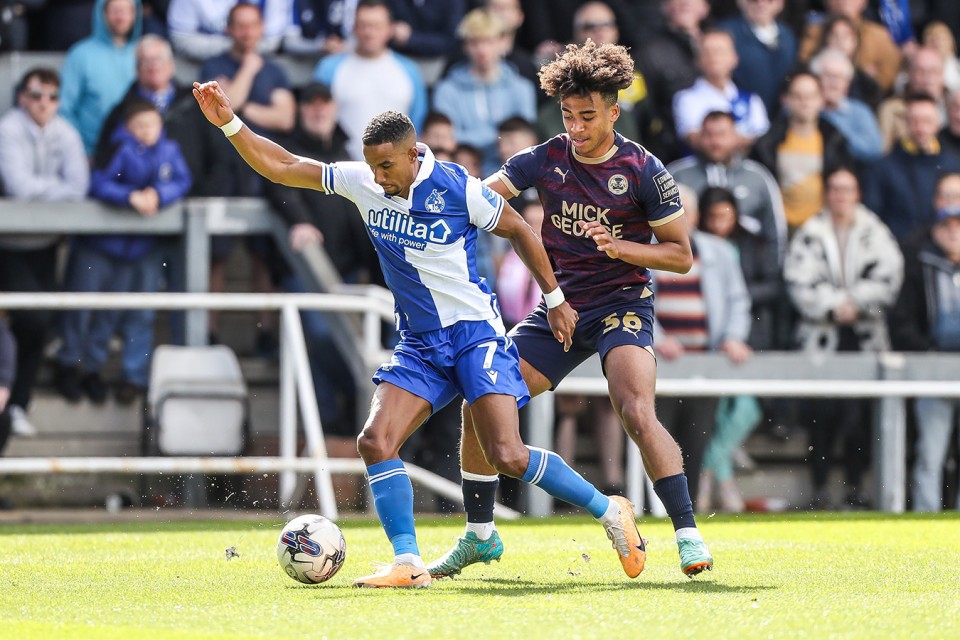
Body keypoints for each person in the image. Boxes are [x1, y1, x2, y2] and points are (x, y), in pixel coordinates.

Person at [193, 85, 647, 588]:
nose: (377, 177)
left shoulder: (460, 188)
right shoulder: (363, 181)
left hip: (476, 337)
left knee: (508, 455)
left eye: (386, 166)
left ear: (413, 154)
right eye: (371, 166)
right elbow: (281, 165)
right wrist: (230, 124)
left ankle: (610, 511)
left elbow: (521, 229)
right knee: (375, 440)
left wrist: (557, 300)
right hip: (419, 344)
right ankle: (408, 563)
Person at [427, 40, 713, 581]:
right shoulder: (546, 158)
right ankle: (479, 537)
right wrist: (431, 205)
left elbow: (680, 255)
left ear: (613, 111)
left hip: (623, 304)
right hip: (561, 306)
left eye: (588, 116)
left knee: (634, 408)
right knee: (482, 400)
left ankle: (687, 533)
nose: (576, 126)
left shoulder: (644, 169)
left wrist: (621, 247)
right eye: (567, 115)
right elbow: (482, 199)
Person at [57, 99, 192, 404]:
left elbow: (182, 181)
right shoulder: (118, 148)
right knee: (81, 308)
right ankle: (69, 366)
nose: (146, 132)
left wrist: (158, 194)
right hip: (100, 245)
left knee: (112, 313)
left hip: (137, 248)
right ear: (128, 128)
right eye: (140, 126)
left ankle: (93, 370)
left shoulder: (169, 151)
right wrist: (129, 197)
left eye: (152, 125)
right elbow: (98, 184)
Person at [784, 166, 904, 509]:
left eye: (847, 189)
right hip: (821, 338)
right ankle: (820, 488)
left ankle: (856, 486)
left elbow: (889, 275)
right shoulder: (811, 230)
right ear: (827, 194)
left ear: (857, 194)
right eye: (835, 189)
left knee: (859, 417)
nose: (840, 196)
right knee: (821, 416)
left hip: (864, 337)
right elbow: (798, 280)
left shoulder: (875, 231)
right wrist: (837, 306)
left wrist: (856, 303)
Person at [652, 184, 753, 511]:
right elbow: (632, 301)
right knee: (659, 440)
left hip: (706, 366)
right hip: (660, 368)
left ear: (695, 216)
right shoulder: (644, 250)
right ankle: (657, 510)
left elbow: (738, 300)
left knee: (697, 440)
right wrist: (657, 337)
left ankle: (690, 509)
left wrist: (733, 337)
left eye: (684, 211)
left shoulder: (718, 252)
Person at [0, 68, 89, 431]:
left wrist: (43, 192)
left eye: (52, 96)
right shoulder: (8, 128)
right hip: (9, 245)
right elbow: (17, 187)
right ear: (22, 97)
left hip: (46, 243)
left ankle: (18, 403)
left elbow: (79, 186)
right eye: (36, 95)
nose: (44, 103)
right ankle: (12, 402)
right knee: (28, 320)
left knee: (37, 326)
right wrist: (55, 189)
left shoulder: (66, 132)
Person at [889, 172, 960, 511]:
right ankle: (925, 515)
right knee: (930, 453)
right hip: (933, 370)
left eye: (958, 225)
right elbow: (901, 319)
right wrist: (926, 352)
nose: (953, 232)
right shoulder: (918, 260)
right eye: (947, 226)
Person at [668, 110, 787, 265]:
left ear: (737, 137)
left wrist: (772, 273)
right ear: (698, 137)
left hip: (749, 270)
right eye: (709, 135)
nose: (716, 142)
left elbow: (775, 231)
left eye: (722, 135)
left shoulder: (758, 176)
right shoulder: (676, 175)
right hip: (694, 268)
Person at [313, 0, 427, 160]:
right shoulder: (328, 68)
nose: (369, 32)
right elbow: (314, 120)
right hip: (341, 170)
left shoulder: (410, 71)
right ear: (353, 28)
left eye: (376, 26)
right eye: (363, 25)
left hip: (396, 172)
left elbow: (418, 125)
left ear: (389, 29)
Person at [432, 8, 536, 176]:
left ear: (503, 42)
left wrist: (473, 138)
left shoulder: (522, 88)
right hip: (463, 172)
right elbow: (446, 139)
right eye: (475, 42)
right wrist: (497, 138)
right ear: (465, 46)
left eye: (489, 41)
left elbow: (523, 138)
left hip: (512, 174)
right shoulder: (447, 90)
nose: (482, 49)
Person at [752, 71, 851, 233]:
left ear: (821, 100)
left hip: (824, 228)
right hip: (780, 228)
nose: (805, 102)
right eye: (798, 96)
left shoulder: (836, 141)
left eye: (811, 96)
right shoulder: (768, 143)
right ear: (786, 100)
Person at [863, 93, 960, 240]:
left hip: (943, 254)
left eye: (927, 121)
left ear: (938, 123)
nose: (921, 128)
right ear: (905, 123)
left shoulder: (953, 165)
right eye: (914, 121)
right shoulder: (882, 168)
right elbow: (872, 217)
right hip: (898, 251)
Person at [58, 0, 142, 155]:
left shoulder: (143, 52)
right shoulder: (80, 54)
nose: (120, 16)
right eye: (115, 10)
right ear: (101, 13)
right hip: (93, 154)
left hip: (140, 156)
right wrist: (80, 151)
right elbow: (64, 108)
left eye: (127, 10)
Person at [672, 28, 770, 152]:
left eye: (720, 51)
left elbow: (763, 139)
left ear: (735, 59)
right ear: (697, 60)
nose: (714, 57)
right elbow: (694, 139)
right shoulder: (685, 99)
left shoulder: (752, 100)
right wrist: (743, 140)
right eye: (707, 52)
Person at [719, 0, 798, 119]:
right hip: (740, 115)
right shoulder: (726, 33)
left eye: (769, 0)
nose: (761, 3)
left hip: (780, 118)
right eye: (753, 0)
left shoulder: (787, 36)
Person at [810, 47, 885, 162]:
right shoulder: (803, 107)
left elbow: (874, 149)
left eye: (839, 77)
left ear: (847, 84)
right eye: (828, 75)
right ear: (816, 79)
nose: (833, 82)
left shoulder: (860, 111)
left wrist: (835, 133)